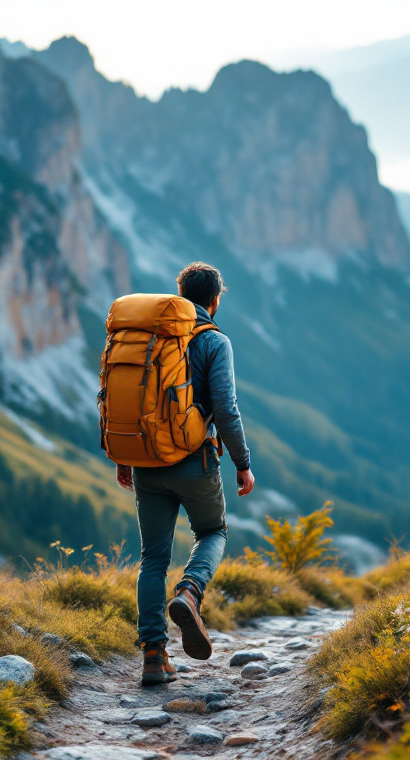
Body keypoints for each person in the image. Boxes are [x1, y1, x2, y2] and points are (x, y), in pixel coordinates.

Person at [115, 261, 255, 686]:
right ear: (215, 300)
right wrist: (243, 464)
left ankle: (154, 659)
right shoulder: (215, 341)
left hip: (145, 461)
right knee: (213, 532)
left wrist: (125, 454)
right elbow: (226, 410)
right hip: (194, 461)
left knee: (152, 558)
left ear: (178, 293)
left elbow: (125, 398)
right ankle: (191, 592)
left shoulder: (147, 337)